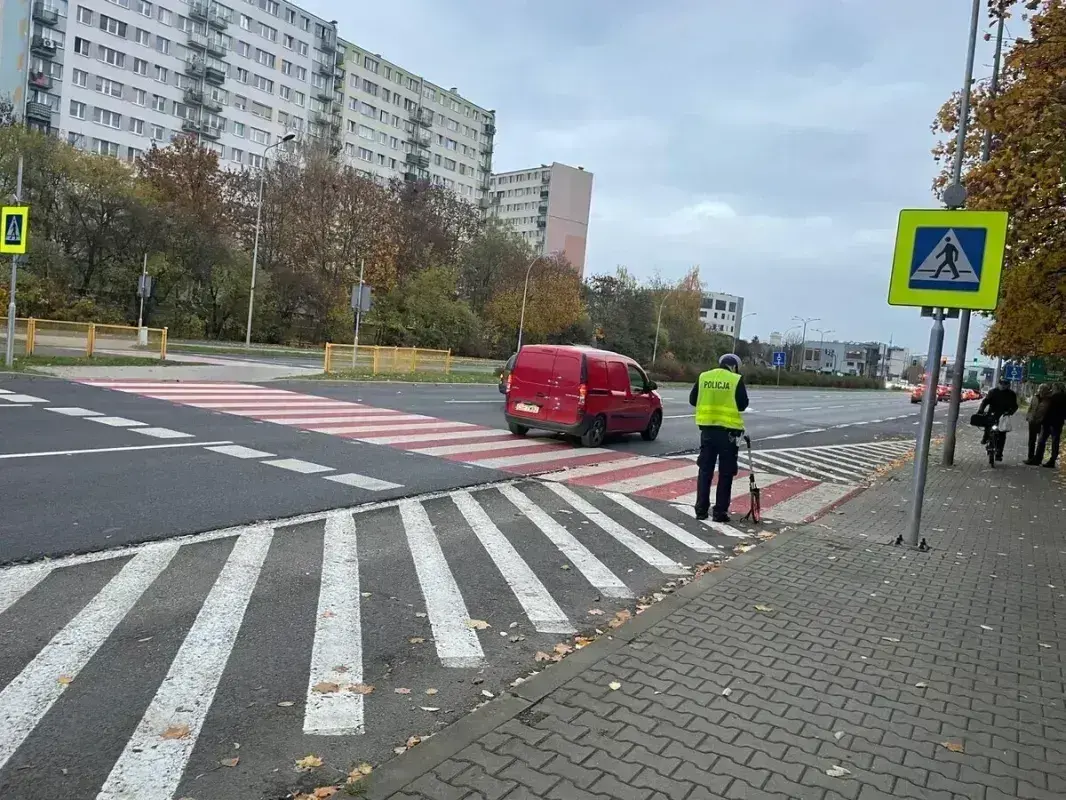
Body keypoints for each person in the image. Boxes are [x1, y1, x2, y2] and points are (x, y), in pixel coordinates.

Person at [689, 353, 749, 522]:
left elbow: (693, 400)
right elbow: (743, 404)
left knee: (705, 470)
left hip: (707, 432)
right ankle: (719, 512)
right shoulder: (735, 379)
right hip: (728, 434)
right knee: (726, 473)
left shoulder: (704, 377)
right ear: (734, 366)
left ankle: (700, 510)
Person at [977, 377, 1019, 461]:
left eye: (1005, 384)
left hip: (1003, 416)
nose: (1003, 386)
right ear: (999, 384)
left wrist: (1010, 412)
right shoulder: (993, 392)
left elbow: (1015, 406)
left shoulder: (1011, 394)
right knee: (988, 426)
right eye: (1002, 384)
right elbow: (985, 402)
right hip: (992, 414)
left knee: (1002, 434)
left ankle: (999, 453)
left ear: (1008, 385)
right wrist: (981, 410)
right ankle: (985, 438)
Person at [1035, 382, 1065, 468]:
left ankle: (1038, 458)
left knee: (1042, 440)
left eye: (1054, 388)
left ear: (1057, 388)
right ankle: (1052, 459)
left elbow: (1047, 409)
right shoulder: (1063, 397)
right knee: (1055, 441)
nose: (1052, 389)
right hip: (1058, 422)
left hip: (1049, 422)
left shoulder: (1053, 398)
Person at [1025, 384, 1054, 465]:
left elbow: (1049, 412)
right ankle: (1030, 457)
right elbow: (1030, 407)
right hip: (1032, 421)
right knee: (1031, 440)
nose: (1041, 390)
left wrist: (1043, 419)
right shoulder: (1035, 397)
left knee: (1041, 441)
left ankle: (1038, 458)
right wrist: (1028, 416)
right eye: (1040, 389)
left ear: (1046, 391)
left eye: (1043, 389)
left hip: (1042, 422)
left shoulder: (1049, 400)